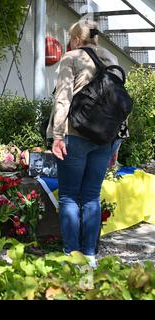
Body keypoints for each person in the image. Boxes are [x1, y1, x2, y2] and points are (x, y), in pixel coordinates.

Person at [46, 20, 123, 268]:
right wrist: (117, 143)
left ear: (77, 39)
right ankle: (89, 256)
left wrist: (57, 135)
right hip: (105, 137)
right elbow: (120, 104)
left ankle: (72, 254)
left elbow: (63, 98)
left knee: (69, 196)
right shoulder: (112, 59)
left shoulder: (72, 57)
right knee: (92, 196)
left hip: (75, 134)